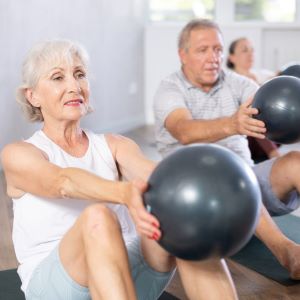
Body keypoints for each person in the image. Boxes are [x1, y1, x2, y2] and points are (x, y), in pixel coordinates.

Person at [1, 39, 239, 300]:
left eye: (79, 75)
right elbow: (61, 182)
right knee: (98, 217)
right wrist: (125, 192)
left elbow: (159, 179)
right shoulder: (19, 154)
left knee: (183, 218)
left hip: (130, 272)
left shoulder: (115, 146)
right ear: (32, 95)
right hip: (59, 287)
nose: (74, 86)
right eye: (58, 77)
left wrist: (203, 190)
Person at [153, 19, 300, 280]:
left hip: (248, 182)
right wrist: (233, 124)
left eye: (218, 49)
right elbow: (184, 130)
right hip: (195, 200)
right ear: (182, 54)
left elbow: (271, 106)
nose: (213, 58)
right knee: (235, 178)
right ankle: (288, 252)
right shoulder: (169, 89)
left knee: (295, 162)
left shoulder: (237, 83)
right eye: (203, 50)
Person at [226, 37, 280, 162]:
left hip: (267, 131)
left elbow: (278, 77)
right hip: (245, 134)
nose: (250, 54)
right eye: (245, 50)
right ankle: (274, 154)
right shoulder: (229, 81)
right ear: (232, 58)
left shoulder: (260, 74)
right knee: (254, 114)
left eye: (252, 50)